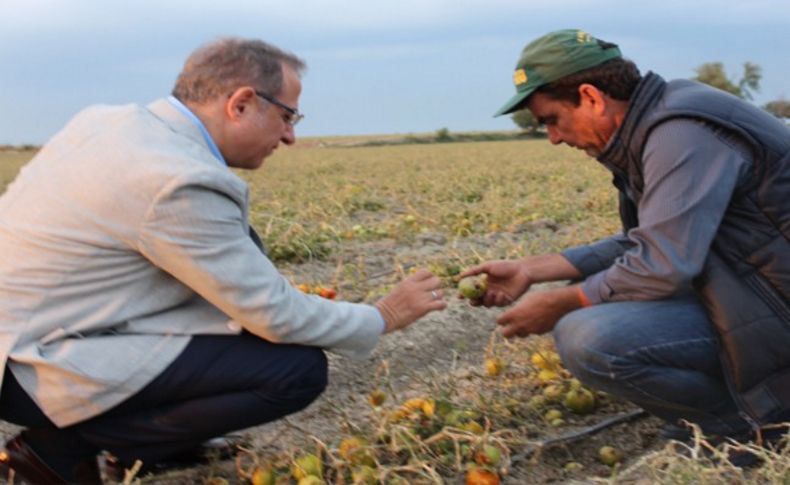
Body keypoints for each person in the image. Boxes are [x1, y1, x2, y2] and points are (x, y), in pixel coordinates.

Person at [0, 37, 447, 484]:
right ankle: (54, 450)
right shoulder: (177, 180)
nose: (290, 136)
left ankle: (156, 444)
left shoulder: (107, 122)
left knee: (241, 269)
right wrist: (384, 315)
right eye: (287, 116)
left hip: (41, 326)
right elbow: (276, 316)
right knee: (293, 370)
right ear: (242, 104)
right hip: (30, 363)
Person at [463, 29, 790, 457]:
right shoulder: (661, 119)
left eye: (551, 120)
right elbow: (653, 241)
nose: (554, 138)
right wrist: (533, 270)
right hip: (754, 293)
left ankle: (750, 424)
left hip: (774, 304)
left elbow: (662, 264)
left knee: (590, 335)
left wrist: (564, 302)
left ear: (591, 97)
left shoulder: (680, 132)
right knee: (598, 314)